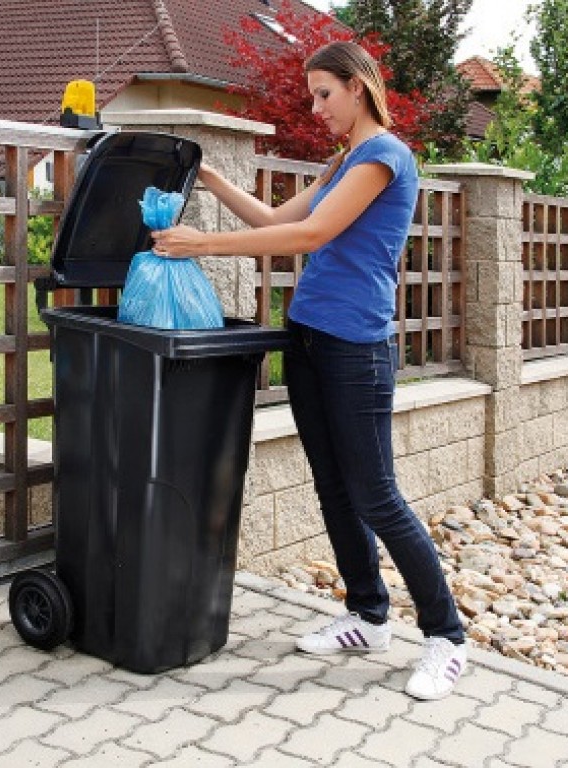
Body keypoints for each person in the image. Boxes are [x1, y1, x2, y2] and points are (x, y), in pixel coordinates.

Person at [151, 40, 467, 701]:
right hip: (310, 339)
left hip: (357, 347)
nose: (316, 107)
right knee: (332, 487)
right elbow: (272, 218)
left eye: (324, 93)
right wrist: (204, 175)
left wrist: (203, 244)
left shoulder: (384, 156)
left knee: (376, 494)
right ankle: (368, 613)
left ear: (358, 87)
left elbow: (308, 237)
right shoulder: (344, 159)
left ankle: (446, 636)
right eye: (312, 95)